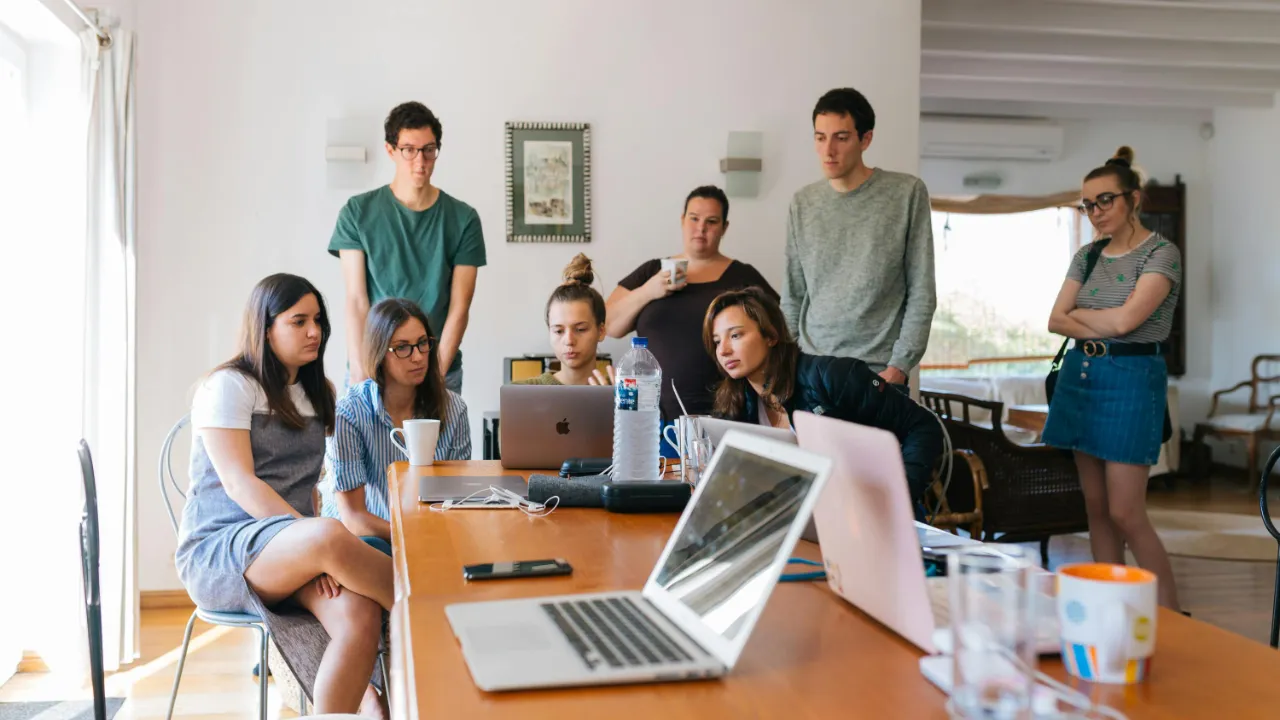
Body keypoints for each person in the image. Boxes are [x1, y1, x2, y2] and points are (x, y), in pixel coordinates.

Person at [176, 274, 391, 717]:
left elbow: (307, 486)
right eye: (299, 321)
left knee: (359, 615)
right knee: (330, 535)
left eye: (318, 321)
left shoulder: (318, 392)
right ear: (266, 326)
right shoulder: (230, 385)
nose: (315, 332)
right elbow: (240, 483)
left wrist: (311, 548)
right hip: (222, 551)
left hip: (294, 551)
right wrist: (313, 543)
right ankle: (434, 612)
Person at [1043, 146, 1182, 610]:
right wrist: (1098, 320)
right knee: (1097, 510)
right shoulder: (1087, 255)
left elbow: (1126, 323)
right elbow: (1055, 320)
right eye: (1087, 204)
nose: (1096, 212)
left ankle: (1170, 615)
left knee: (1126, 512)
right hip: (1081, 377)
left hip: (1131, 381)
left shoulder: (1162, 253)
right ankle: (1112, 609)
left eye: (1105, 200)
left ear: (1133, 198)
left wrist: (1082, 315)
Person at [703, 287, 943, 510]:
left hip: (869, 515)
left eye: (735, 335)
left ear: (770, 336)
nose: (723, 350)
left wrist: (897, 498)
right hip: (807, 517)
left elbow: (923, 425)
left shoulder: (833, 376)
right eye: (716, 341)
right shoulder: (736, 403)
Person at [783, 87, 936, 388]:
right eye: (820, 138)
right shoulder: (802, 202)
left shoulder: (906, 193)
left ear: (865, 139)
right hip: (811, 370)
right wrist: (786, 364)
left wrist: (899, 366)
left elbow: (922, 290)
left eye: (841, 138)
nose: (828, 150)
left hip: (878, 374)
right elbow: (793, 295)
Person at [329, 101, 486, 394]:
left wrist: (436, 376)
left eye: (429, 150)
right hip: (375, 367)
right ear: (391, 150)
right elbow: (357, 301)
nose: (420, 161)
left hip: (438, 368)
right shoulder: (357, 213)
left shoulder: (463, 219)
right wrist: (361, 373)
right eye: (409, 150)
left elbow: (459, 307)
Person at [606, 185, 777, 428]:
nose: (701, 228)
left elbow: (777, 333)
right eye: (694, 218)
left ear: (724, 227)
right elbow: (609, 325)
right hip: (652, 417)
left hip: (729, 414)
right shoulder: (652, 271)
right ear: (682, 220)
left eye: (712, 221)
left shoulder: (743, 276)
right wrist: (648, 291)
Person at [323, 298, 472, 555]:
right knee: (374, 548)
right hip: (365, 540)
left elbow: (456, 500)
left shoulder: (454, 409)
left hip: (429, 534)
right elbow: (354, 519)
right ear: (380, 353)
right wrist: (412, 534)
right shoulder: (349, 413)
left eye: (423, 343)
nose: (418, 357)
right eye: (402, 347)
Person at [516, 253, 614, 386]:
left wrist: (613, 399)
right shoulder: (521, 391)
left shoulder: (622, 392)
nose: (569, 341)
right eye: (558, 331)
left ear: (601, 331)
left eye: (580, 329)